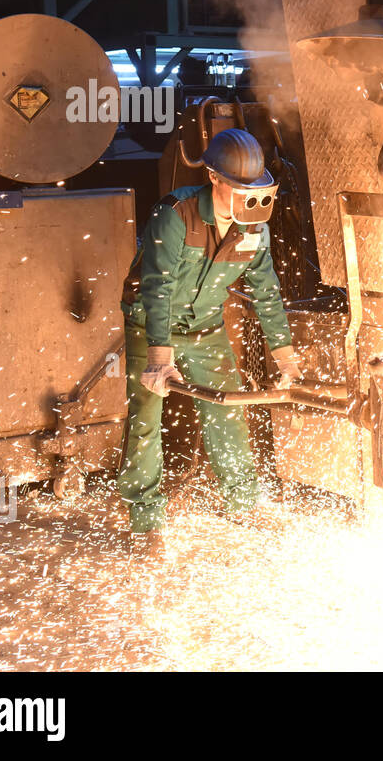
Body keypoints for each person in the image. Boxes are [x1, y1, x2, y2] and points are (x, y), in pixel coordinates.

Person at [117, 128, 302, 555]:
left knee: (228, 411)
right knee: (146, 419)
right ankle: (145, 522)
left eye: (253, 189)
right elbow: (157, 285)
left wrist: (286, 358)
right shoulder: (176, 213)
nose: (247, 198)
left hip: (205, 327)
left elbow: (266, 289)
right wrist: (159, 357)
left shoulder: (254, 227)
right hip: (150, 324)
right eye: (238, 187)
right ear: (215, 178)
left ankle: (242, 502)